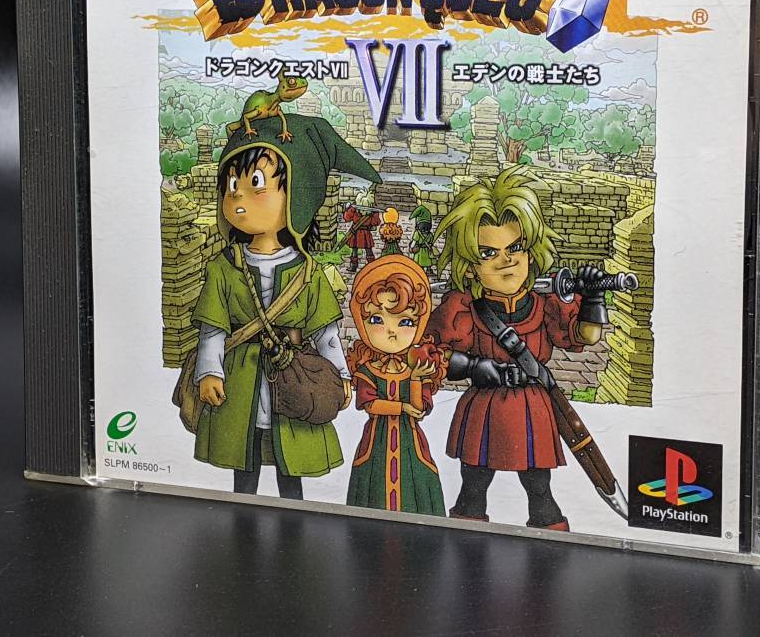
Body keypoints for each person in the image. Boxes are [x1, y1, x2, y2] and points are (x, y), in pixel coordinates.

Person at [184, 112, 381, 499]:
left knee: (291, 464)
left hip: (295, 376)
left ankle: (296, 517)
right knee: (245, 461)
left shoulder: (307, 273)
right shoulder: (225, 268)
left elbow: (325, 333)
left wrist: (340, 375)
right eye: (232, 185)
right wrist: (210, 372)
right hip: (240, 379)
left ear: (296, 198)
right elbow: (213, 328)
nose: (238, 197)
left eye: (255, 184)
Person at [423, 166, 609, 530]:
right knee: (473, 484)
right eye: (488, 252)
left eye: (515, 248)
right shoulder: (464, 309)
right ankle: (464, 541)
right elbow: (430, 353)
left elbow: (585, 336)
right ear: (471, 266)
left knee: (540, 488)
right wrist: (473, 367)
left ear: (531, 251)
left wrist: (593, 298)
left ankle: (551, 541)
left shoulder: (546, 305)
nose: (506, 260)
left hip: (533, 406)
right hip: (486, 405)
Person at [345, 256, 447, 515]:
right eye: (377, 320)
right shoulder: (368, 370)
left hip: (411, 444)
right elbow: (369, 404)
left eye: (405, 322)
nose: (392, 331)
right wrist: (401, 407)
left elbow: (420, 409)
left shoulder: (416, 369)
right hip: (376, 443)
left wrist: (415, 379)